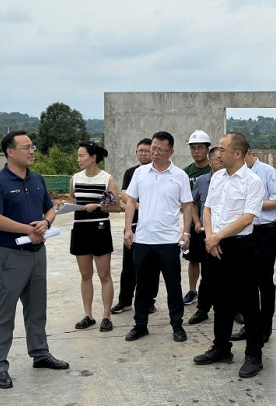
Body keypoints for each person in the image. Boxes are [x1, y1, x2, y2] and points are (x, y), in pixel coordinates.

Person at [0, 131, 69, 389]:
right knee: (4, 313)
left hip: (37, 255)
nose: (32, 151)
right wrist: (27, 230)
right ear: (10, 152)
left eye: (33, 147)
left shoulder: (37, 179)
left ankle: (40, 353)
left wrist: (46, 222)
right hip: (11, 256)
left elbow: (49, 208)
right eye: (26, 147)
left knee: (37, 309)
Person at [193, 132, 266, 378]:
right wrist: (210, 237)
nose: (218, 153)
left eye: (222, 149)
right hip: (214, 245)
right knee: (220, 300)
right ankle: (221, 348)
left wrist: (218, 237)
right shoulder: (218, 177)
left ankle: (254, 354)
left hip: (240, 247)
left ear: (237, 153)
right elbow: (207, 209)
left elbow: (247, 218)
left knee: (248, 303)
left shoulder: (253, 181)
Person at [123, 131, 194, 343]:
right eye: (152, 148)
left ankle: (177, 325)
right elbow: (130, 201)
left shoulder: (179, 175)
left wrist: (186, 232)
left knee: (173, 286)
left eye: (159, 149)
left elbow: (187, 205)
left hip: (169, 241)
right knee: (142, 286)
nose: (154, 152)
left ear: (170, 152)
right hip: (143, 240)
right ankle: (140, 325)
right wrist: (128, 229)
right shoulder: (140, 173)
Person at [231, 146, 276, 342]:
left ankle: (264, 327)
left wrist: (252, 204)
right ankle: (250, 326)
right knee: (247, 281)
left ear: (248, 152)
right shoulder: (237, 175)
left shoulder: (267, 172)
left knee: (264, 281)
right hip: (246, 232)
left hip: (266, 232)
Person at [70, 142, 121, 332]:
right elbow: (73, 199)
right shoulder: (75, 178)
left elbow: (116, 206)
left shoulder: (107, 179)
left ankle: (106, 316)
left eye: (81, 155)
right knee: (85, 275)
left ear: (93, 158)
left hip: (100, 229)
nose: (78, 159)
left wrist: (97, 206)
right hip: (80, 229)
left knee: (104, 275)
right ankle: (88, 315)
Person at [112, 139, 158, 315]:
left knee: (151, 266)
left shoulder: (157, 173)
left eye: (147, 150)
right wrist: (141, 207)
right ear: (136, 152)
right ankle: (125, 300)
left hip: (152, 227)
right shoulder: (131, 172)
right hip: (132, 224)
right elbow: (124, 195)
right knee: (129, 265)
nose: (144, 154)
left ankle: (149, 301)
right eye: (141, 151)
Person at [187, 148, 223, 325]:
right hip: (207, 234)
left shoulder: (233, 180)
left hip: (226, 234)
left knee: (229, 275)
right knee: (207, 274)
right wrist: (197, 222)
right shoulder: (202, 181)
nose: (221, 162)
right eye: (218, 159)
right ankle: (203, 309)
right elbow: (191, 203)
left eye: (223, 159)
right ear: (210, 162)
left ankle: (234, 310)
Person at [182, 130, 212, 306]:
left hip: (213, 225)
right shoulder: (187, 172)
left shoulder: (214, 169)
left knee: (211, 262)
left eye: (200, 147)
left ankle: (211, 292)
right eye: (193, 148)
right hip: (194, 225)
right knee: (193, 259)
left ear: (207, 149)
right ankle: (193, 291)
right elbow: (186, 201)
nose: (196, 151)